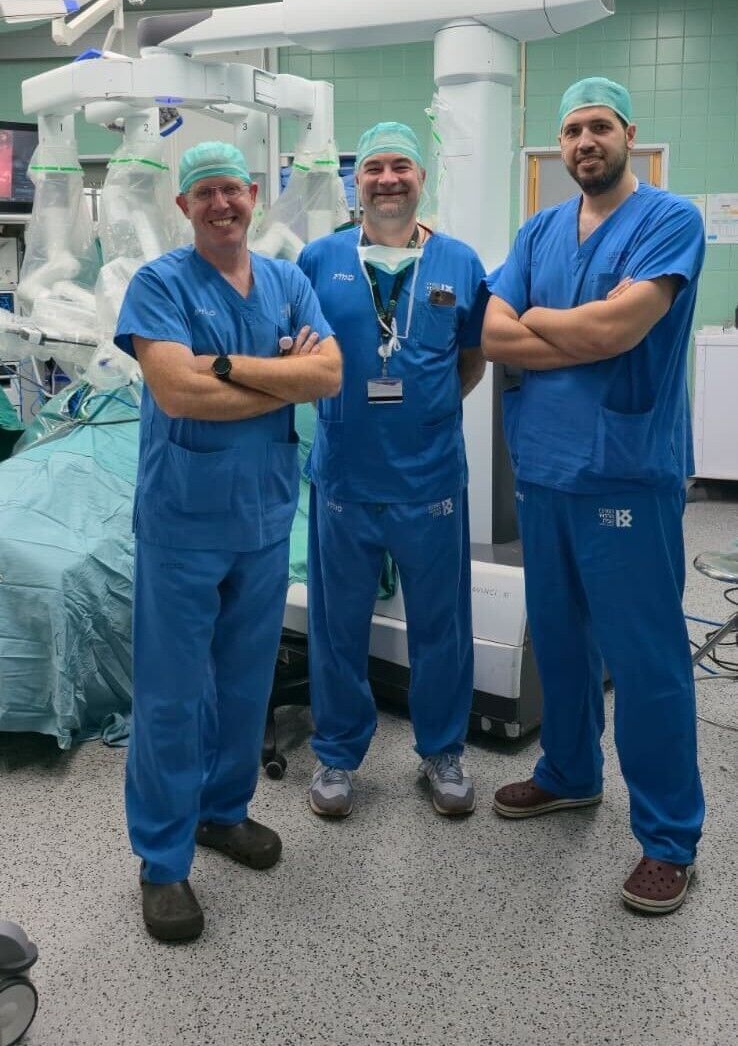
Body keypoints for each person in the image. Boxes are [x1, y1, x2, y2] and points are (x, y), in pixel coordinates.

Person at [482, 77, 705, 915]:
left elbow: (620, 328)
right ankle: (570, 771)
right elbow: (491, 332)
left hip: (624, 469)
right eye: (572, 129)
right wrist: (576, 329)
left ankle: (669, 837)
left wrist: (540, 322)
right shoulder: (538, 229)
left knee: (644, 659)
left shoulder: (670, 221)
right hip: (544, 470)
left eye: (599, 126)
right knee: (560, 640)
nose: (585, 141)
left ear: (628, 135)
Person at [114, 141, 342, 942]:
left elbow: (328, 375)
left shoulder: (288, 281)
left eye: (232, 190)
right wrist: (276, 377)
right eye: (204, 192)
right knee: (173, 695)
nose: (221, 204)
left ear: (254, 194)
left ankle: (221, 810)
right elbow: (178, 393)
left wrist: (224, 368)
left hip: (263, 516)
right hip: (182, 519)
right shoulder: (159, 284)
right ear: (184, 206)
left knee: (246, 683)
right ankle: (163, 859)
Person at [297, 121, 488, 818]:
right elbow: (299, 355)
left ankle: (443, 750)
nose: (387, 179)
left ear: (420, 178)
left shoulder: (458, 263)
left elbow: (472, 360)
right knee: (337, 626)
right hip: (346, 477)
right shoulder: (319, 259)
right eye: (374, 167)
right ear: (357, 180)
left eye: (400, 167)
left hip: (429, 479)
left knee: (443, 624)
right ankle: (337, 754)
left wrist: (425, 412)